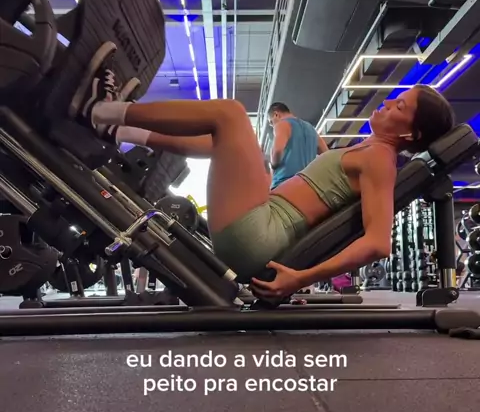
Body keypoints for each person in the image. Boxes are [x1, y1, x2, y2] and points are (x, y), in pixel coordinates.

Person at [71, 63, 454, 299]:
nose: (387, 102)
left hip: (258, 237)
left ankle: (102, 110)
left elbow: (378, 243)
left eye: (400, 105)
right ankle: (119, 130)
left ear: (411, 134)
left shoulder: (381, 161)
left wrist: (300, 278)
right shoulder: (369, 150)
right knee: (230, 143)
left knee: (230, 114)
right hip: (263, 220)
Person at [267, 102, 328, 189]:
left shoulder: (281, 124)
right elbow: (326, 154)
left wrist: (273, 165)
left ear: (276, 114)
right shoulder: (311, 128)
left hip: (285, 184)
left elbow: (277, 151)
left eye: (271, 122)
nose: (273, 126)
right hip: (309, 185)